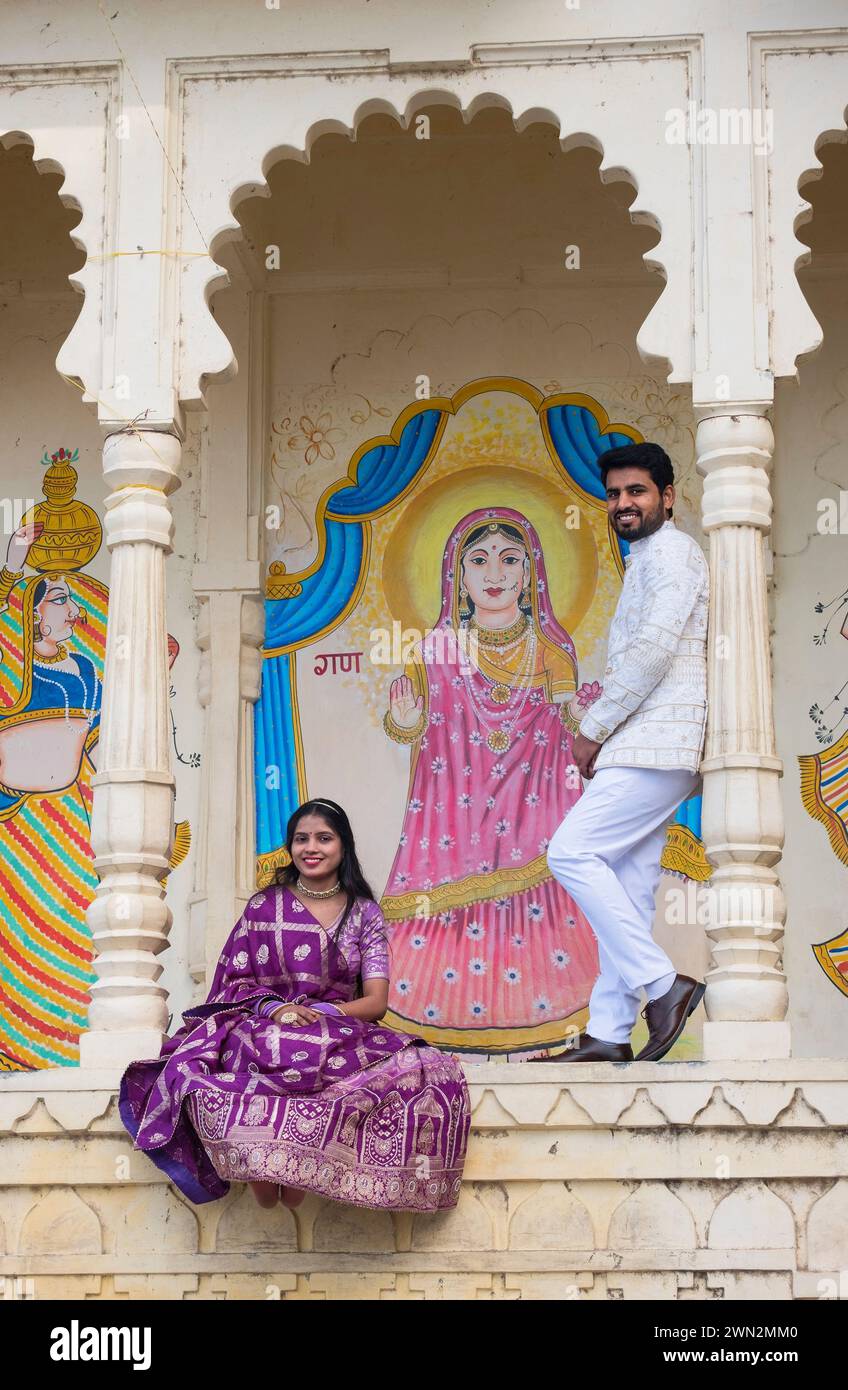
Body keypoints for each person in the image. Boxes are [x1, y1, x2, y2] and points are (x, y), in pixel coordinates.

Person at [119, 798, 470, 1211]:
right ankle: (264, 1163)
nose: (311, 848)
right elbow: (234, 981)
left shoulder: (364, 914)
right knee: (238, 1061)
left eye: (324, 838)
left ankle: (309, 1165)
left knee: (427, 1071)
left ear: (343, 846)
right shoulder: (263, 907)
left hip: (335, 1027)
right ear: (290, 846)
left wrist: (324, 1013)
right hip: (266, 1023)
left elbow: (375, 1002)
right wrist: (277, 1011)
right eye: (301, 839)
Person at [381, 506, 605, 1058]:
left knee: (544, 909)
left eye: (510, 559)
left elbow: (568, 736)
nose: (495, 573)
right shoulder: (436, 650)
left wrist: (580, 712)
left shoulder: (552, 650)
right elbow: (415, 731)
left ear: (531, 575)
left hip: (536, 807)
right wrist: (407, 716)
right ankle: (435, 1028)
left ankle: (550, 1026)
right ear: (458, 576)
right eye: (478, 560)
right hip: (455, 813)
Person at [537, 442, 710, 1063]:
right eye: (613, 494)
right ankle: (610, 1030)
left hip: (655, 743)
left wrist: (594, 728)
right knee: (631, 888)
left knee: (571, 852)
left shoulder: (674, 555)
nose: (622, 504)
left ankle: (666, 986)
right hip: (651, 747)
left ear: (667, 497)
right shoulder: (648, 559)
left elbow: (653, 653)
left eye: (636, 492)